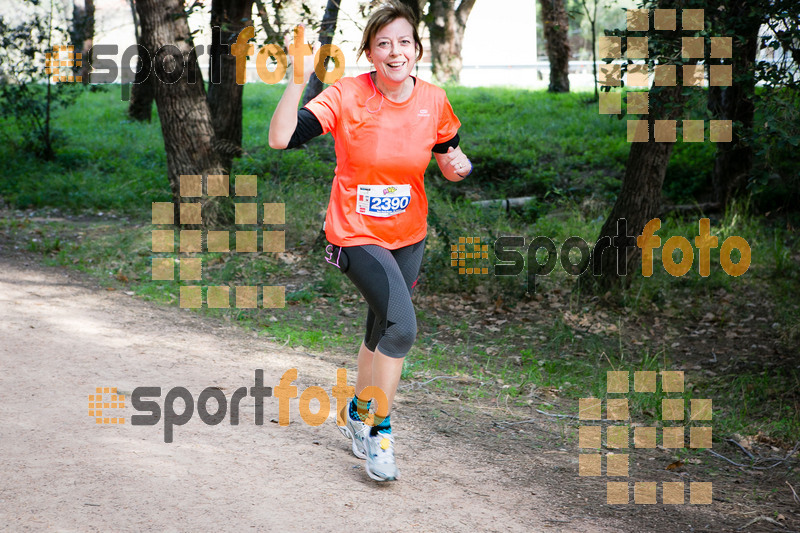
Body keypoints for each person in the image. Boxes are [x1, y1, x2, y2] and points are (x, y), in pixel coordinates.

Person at [268, 0, 472, 481]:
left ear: (418, 50)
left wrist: (458, 167)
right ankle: (380, 431)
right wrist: (298, 76)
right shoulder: (347, 96)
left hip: (409, 235)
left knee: (380, 328)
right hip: (354, 234)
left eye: (404, 42)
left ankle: (357, 411)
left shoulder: (434, 100)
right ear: (370, 53)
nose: (395, 51)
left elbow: (448, 153)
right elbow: (281, 138)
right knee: (402, 329)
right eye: (383, 43)